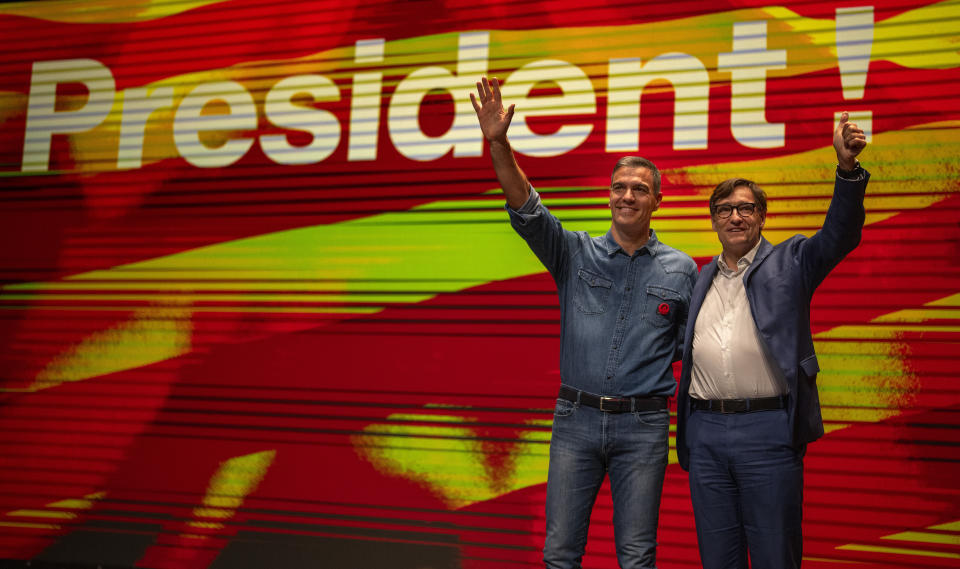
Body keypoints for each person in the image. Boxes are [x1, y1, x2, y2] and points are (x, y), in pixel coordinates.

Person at [471, 76, 696, 569]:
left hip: (644, 425)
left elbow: (687, 346)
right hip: (575, 421)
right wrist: (498, 143)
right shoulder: (574, 253)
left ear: (657, 201)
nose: (628, 196)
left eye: (640, 189)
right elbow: (526, 208)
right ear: (608, 196)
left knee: (637, 557)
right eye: (620, 187)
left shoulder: (682, 269)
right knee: (560, 555)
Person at [676, 112, 869, 569]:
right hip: (704, 433)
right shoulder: (699, 277)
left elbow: (841, 235)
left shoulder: (793, 261)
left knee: (773, 557)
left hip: (766, 431)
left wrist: (846, 171)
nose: (735, 216)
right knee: (717, 558)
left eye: (745, 208)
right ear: (714, 220)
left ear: (762, 216)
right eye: (724, 209)